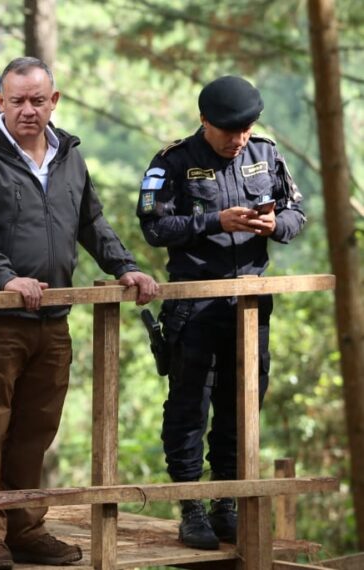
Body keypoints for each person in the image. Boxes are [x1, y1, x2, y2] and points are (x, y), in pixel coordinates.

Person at [0, 57, 159, 570]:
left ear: (53, 101)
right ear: (0, 101)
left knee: (36, 430)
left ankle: (25, 527)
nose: (28, 110)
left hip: (53, 319)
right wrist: (4, 277)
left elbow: (92, 221)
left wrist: (125, 266)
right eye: (17, 101)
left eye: (38, 100)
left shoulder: (68, 155)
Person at [137, 75, 305, 550]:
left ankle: (225, 503)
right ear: (204, 121)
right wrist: (214, 221)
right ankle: (191, 507)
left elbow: (297, 213)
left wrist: (275, 225)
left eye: (246, 129)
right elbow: (154, 226)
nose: (239, 140)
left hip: (250, 307)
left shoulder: (265, 154)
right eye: (230, 131)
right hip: (194, 306)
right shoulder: (172, 162)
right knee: (189, 407)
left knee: (242, 405)